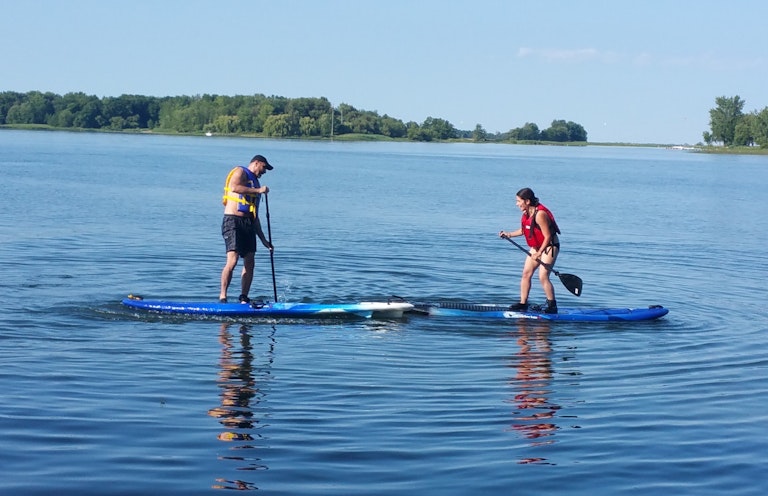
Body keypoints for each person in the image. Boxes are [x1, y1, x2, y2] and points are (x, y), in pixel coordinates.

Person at [219, 154, 274, 304]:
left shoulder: (256, 185)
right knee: (233, 260)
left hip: (248, 224)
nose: (264, 172)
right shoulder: (240, 172)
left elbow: (254, 216)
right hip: (233, 221)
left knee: (250, 261)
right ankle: (223, 297)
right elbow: (234, 187)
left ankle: (244, 297)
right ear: (256, 163)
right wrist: (258, 191)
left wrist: (264, 240)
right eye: (264, 167)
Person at [499, 188, 561, 314]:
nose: (517, 204)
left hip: (549, 247)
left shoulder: (540, 215)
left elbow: (548, 236)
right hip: (537, 247)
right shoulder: (526, 214)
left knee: (543, 276)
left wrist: (539, 253)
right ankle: (523, 303)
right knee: (526, 274)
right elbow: (524, 230)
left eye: (518, 201)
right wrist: (509, 234)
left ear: (527, 201)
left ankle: (552, 305)